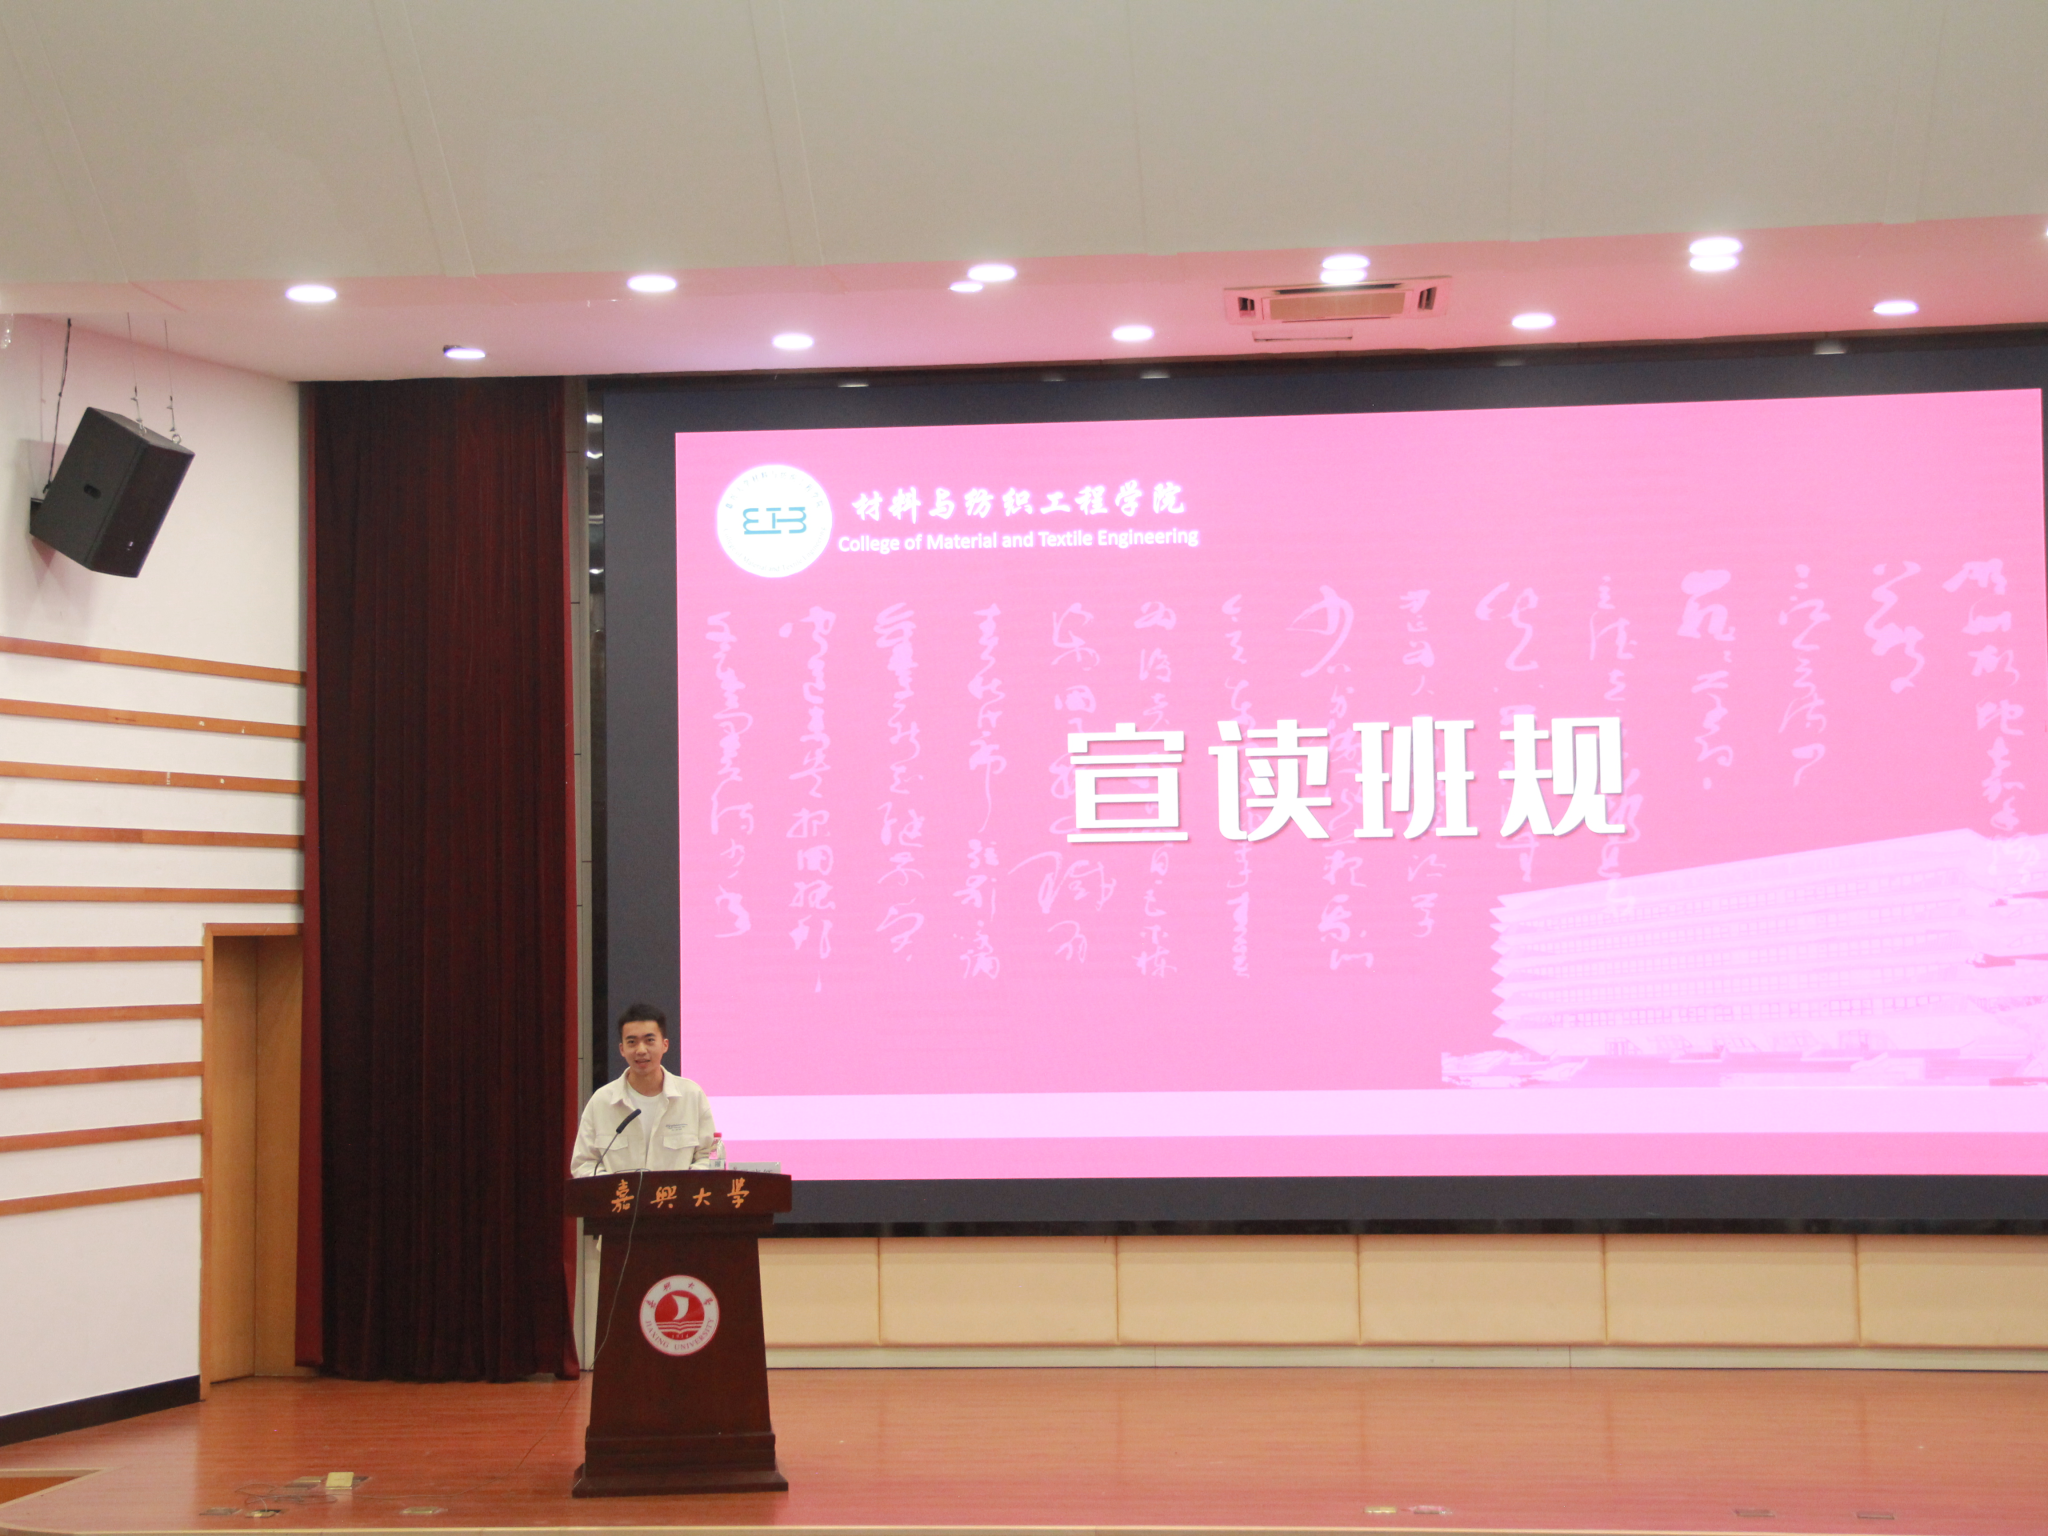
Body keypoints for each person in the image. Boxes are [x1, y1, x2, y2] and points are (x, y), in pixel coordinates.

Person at [571, 1003, 720, 1177]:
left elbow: (710, 1158)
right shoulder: (602, 1101)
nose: (641, 1050)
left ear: (664, 1045)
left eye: (649, 1040)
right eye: (632, 1042)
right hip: (620, 1194)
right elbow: (584, 1164)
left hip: (676, 1194)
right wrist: (614, 1188)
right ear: (622, 1049)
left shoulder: (691, 1096)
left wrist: (681, 1187)